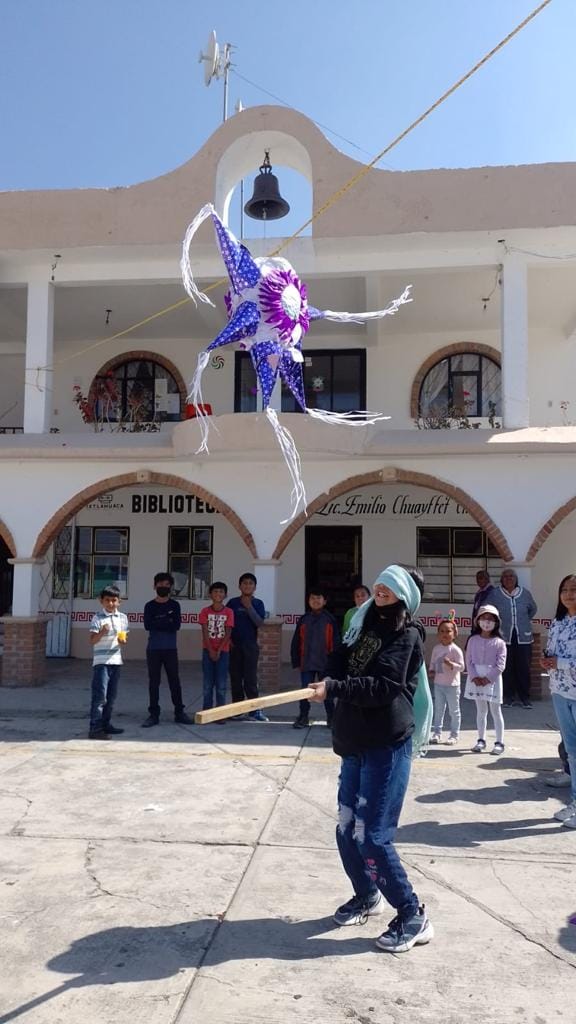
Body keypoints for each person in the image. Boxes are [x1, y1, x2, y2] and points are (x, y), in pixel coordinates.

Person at [308, 565, 433, 953]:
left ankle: (413, 914)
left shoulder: (406, 635)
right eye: (378, 583)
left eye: (389, 585)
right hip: (354, 742)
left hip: (386, 744)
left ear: (405, 595)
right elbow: (338, 658)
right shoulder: (361, 626)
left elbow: (383, 686)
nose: (379, 589)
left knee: (372, 837)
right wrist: (329, 677)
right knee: (346, 829)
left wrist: (334, 688)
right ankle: (367, 895)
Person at [541, 574, 576, 829]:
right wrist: (547, 660)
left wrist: (560, 663)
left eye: (574, 590)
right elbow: (550, 651)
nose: (568, 594)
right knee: (572, 751)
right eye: (564, 589)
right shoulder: (558, 622)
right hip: (559, 691)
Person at [141, 572, 192, 728]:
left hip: (170, 649)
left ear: (171, 587)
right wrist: (166, 620)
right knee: (154, 682)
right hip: (153, 649)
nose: (163, 587)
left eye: (167, 585)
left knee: (174, 681)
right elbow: (148, 625)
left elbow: (175, 626)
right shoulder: (149, 606)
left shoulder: (175, 605)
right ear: (154, 586)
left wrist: (159, 620)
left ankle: (179, 712)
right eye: (160, 584)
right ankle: (153, 714)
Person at [291, 587, 340, 729]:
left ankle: (331, 718)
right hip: (306, 662)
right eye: (312, 598)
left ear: (324, 601)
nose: (315, 601)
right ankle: (303, 717)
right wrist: (295, 659)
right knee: (305, 691)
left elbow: (336, 642)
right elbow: (296, 641)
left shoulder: (330, 620)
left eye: (319, 598)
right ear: (308, 601)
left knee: (327, 691)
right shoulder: (304, 619)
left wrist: (335, 662)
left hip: (326, 663)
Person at [490, 569, 537, 708]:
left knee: (524, 668)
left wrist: (523, 621)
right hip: (504, 638)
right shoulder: (495, 594)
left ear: (516, 579)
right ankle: (508, 697)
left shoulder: (525, 593)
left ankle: (525, 698)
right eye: (505, 576)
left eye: (511, 576)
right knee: (506, 668)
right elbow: (488, 610)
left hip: (523, 638)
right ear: (501, 579)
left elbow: (533, 609)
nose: (508, 578)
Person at [465, 604, 507, 755]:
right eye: (484, 618)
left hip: (493, 680)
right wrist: (474, 676)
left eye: (490, 619)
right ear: (478, 621)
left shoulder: (500, 643)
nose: (487, 622)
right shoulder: (472, 640)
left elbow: (500, 664)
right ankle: (481, 740)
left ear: (496, 622)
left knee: (495, 710)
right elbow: (468, 660)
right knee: (481, 711)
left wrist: (488, 678)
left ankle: (499, 742)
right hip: (475, 677)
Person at [88, 585, 128, 739]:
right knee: (100, 697)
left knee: (111, 697)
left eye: (114, 600)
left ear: (119, 602)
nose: (110, 604)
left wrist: (122, 640)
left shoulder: (123, 618)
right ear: (101, 601)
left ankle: (106, 724)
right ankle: (95, 728)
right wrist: (102, 632)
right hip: (101, 662)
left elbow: (124, 639)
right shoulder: (97, 618)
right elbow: (92, 640)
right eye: (107, 600)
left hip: (116, 661)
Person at [227, 572, 268, 722]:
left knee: (250, 679)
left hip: (250, 646)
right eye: (244, 583)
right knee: (235, 678)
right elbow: (227, 623)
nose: (247, 586)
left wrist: (249, 606)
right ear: (239, 586)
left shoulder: (258, 603)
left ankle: (254, 711)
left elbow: (259, 623)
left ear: (255, 587)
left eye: (251, 583)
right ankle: (237, 710)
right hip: (234, 646)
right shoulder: (232, 603)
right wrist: (228, 641)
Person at [199, 582, 234, 713]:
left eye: (221, 592)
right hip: (207, 651)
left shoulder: (229, 612)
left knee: (221, 684)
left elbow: (228, 633)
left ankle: (220, 713)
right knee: (207, 684)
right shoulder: (205, 612)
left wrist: (218, 650)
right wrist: (210, 650)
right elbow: (204, 633)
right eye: (215, 591)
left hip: (223, 652)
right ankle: (207, 712)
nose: (218, 594)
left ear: (225, 595)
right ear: (210, 594)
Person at [429, 618, 465, 745]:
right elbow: (433, 663)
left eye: (448, 631)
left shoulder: (455, 650)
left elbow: (462, 667)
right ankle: (437, 733)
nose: (445, 634)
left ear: (454, 634)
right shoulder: (436, 648)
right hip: (439, 684)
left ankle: (454, 734)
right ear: (438, 634)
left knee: (454, 711)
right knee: (438, 709)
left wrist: (451, 664)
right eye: (442, 631)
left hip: (452, 685)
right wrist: (432, 671)